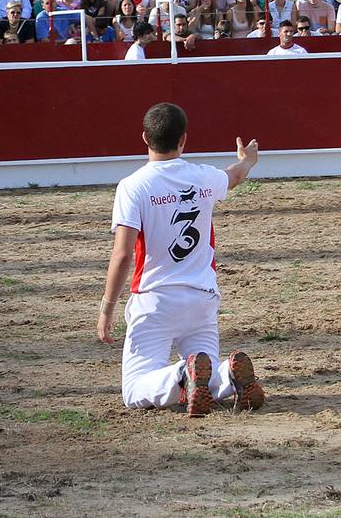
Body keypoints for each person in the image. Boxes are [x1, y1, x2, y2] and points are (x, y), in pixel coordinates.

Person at [96, 102, 265, 416]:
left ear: (145, 138)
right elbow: (234, 176)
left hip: (156, 300)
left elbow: (122, 255)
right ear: (184, 139)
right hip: (202, 298)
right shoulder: (203, 177)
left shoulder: (133, 186)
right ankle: (228, 376)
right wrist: (248, 160)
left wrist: (107, 308)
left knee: (134, 390)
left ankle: (181, 374)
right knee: (207, 378)